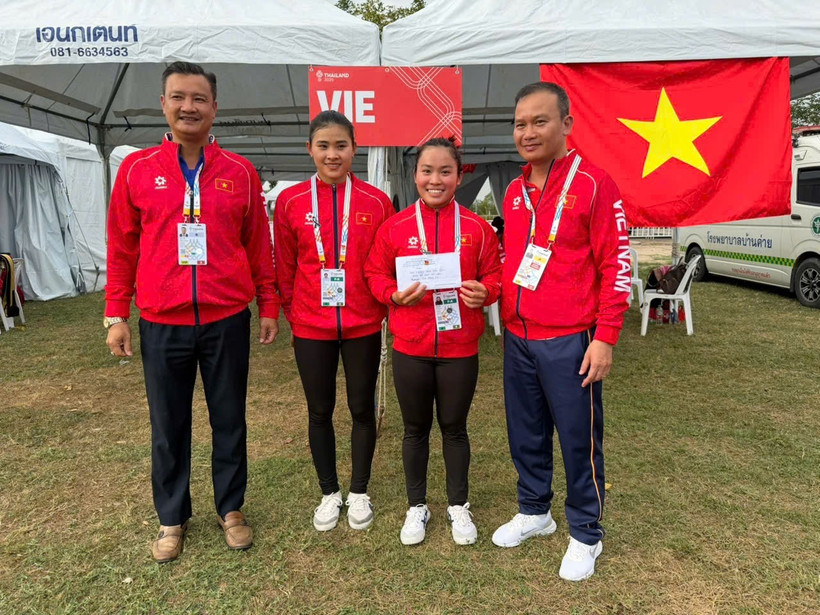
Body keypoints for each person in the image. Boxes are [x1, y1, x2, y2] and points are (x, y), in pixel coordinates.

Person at [105, 61, 279, 563]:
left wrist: (268, 303)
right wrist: (116, 311)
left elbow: (256, 244)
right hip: (163, 320)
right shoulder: (138, 169)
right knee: (168, 423)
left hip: (226, 319)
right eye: (179, 97)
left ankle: (231, 508)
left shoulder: (240, 172)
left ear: (214, 108)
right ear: (163, 104)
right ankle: (171, 516)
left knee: (230, 419)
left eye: (199, 99)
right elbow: (121, 246)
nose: (189, 107)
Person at [491, 82, 631, 581]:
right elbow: (513, 259)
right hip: (518, 336)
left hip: (572, 339)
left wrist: (606, 336)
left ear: (566, 124)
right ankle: (535, 511)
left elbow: (617, 263)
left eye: (539, 121)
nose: (527, 132)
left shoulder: (595, 183)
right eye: (520, 123)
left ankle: (586, 533)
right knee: (525, 432)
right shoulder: (512, 190)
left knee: (577, 438)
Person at [365, 138, 502, 546]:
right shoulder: (395, 226)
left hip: (460, 347)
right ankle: (416, 506)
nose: (435, 179)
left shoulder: (477, 228)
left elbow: (494, 275)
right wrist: (392, 294)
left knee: (455, 428)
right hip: (411, 344)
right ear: (415, 175)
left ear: (460, 177)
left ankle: (458, 505)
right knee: (415, 429)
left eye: (445, 171)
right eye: (427, 171)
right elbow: (374, 274)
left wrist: (487, 292)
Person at [274, 111, 393, 532]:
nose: (332, 154)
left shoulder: (377, 201)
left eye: (341, 145)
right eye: (323, 146)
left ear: (354, 149)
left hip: (362, 324)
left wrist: (383, 307)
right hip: (311, 327)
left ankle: (359, 490)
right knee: (319, 410)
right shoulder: (289, 202)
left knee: (361, 408)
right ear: (310, 149)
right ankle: (329, 492)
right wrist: (294, 315)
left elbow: (383, 265)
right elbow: (284, 267)